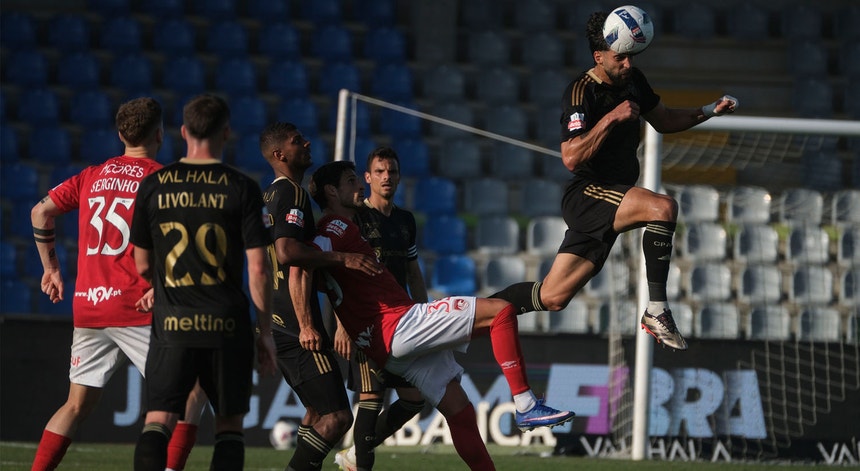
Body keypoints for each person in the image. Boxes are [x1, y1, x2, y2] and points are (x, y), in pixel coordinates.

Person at [298, 161, 576, 471]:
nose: (360, 186)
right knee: (501, 312)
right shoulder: (334, 226)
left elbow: (316, 270)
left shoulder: (344, 229)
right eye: (352, 181)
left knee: (461, 414)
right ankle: (525, 404)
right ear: (332, 191)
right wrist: (308, 321)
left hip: (390, 346)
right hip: (399, 325)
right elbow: (301, 260)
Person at [489, 11, 738, 351]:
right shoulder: (580, 93)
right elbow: (571, 157)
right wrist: (611, 117)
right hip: (588, 194)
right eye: (619, 57)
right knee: (662, 207)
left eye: (630, 56)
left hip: (612, 199)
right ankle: (656, 309)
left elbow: (663, 120)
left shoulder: (634, 81)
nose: (627, 63)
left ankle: (470, 317)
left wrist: (708, 111)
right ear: (599, 57)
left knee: (553, 296)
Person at [28, 97, 186, 471]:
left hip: (88, 306)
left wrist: (50, 269)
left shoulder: (92, 175)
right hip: (135, 305)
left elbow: (40, 211)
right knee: (188, 394)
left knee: (76, 405)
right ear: (160, 134)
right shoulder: (161, 179)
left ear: (120, 134)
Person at [129, 94, 278, 471]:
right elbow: (259, 267)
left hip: (172, 322)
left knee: (158, 419)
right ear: (226, 132)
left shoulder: (154, 186)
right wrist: (265, 333)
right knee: (229, 425)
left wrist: (161, 288)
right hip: (226, 325)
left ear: (182, 132)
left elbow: (141, 263)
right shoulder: (242, 187)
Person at [258, 122, 383, 471]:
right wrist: (308, 324)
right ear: (280, 154)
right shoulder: (292, 194)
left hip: (278, 320)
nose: (307, 143)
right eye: (298, 141)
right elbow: (289, 255)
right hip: (295, 326)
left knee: (315, 412)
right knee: (338, 417)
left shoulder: (267, 196)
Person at [334, 147, 428, 471]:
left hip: (401, 324)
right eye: (380, 171)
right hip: (364, 323)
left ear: (399, 177)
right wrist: (341, 324)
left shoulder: (405, 221)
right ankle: (360, 464)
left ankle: (353, 455)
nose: (387, 177)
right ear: (368, 177)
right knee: (371, 400)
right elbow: (339, 273)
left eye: (392, 171)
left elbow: (413, 272)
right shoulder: (356, 218)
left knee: (415, 399)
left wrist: (427, 316)